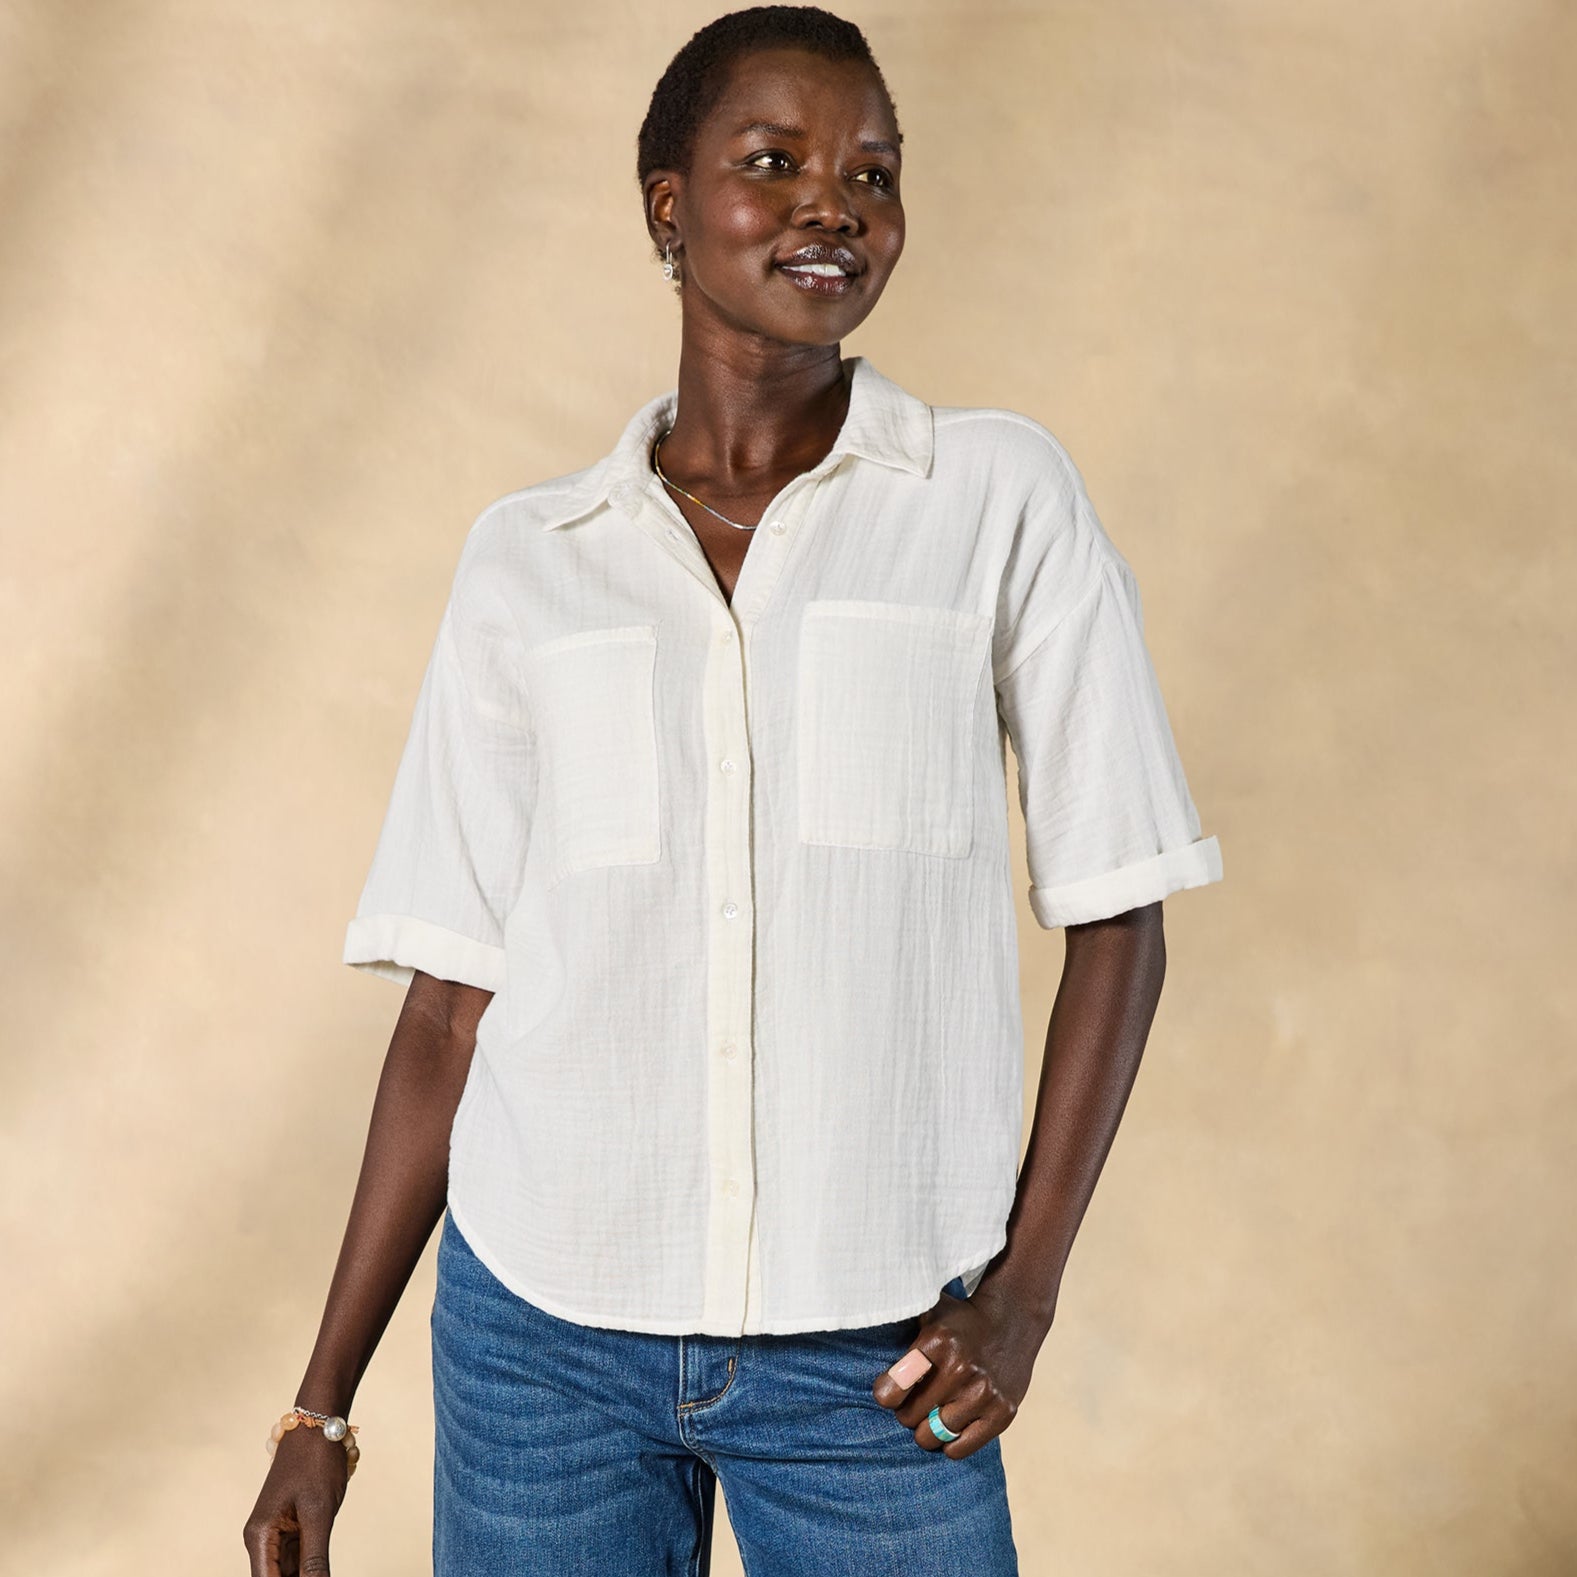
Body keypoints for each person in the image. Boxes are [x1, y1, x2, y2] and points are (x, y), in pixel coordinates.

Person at [243, 6, 1223, 1574]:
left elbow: (1121, 913)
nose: (833, 203)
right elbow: (448, 1007)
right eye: (774, 162)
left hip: (877, 1351)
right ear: (667, 206)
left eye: (871, 173)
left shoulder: (992, 499)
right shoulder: (529, 560)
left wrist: (1022, 1296)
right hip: (541, 1342)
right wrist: (320, 1406)